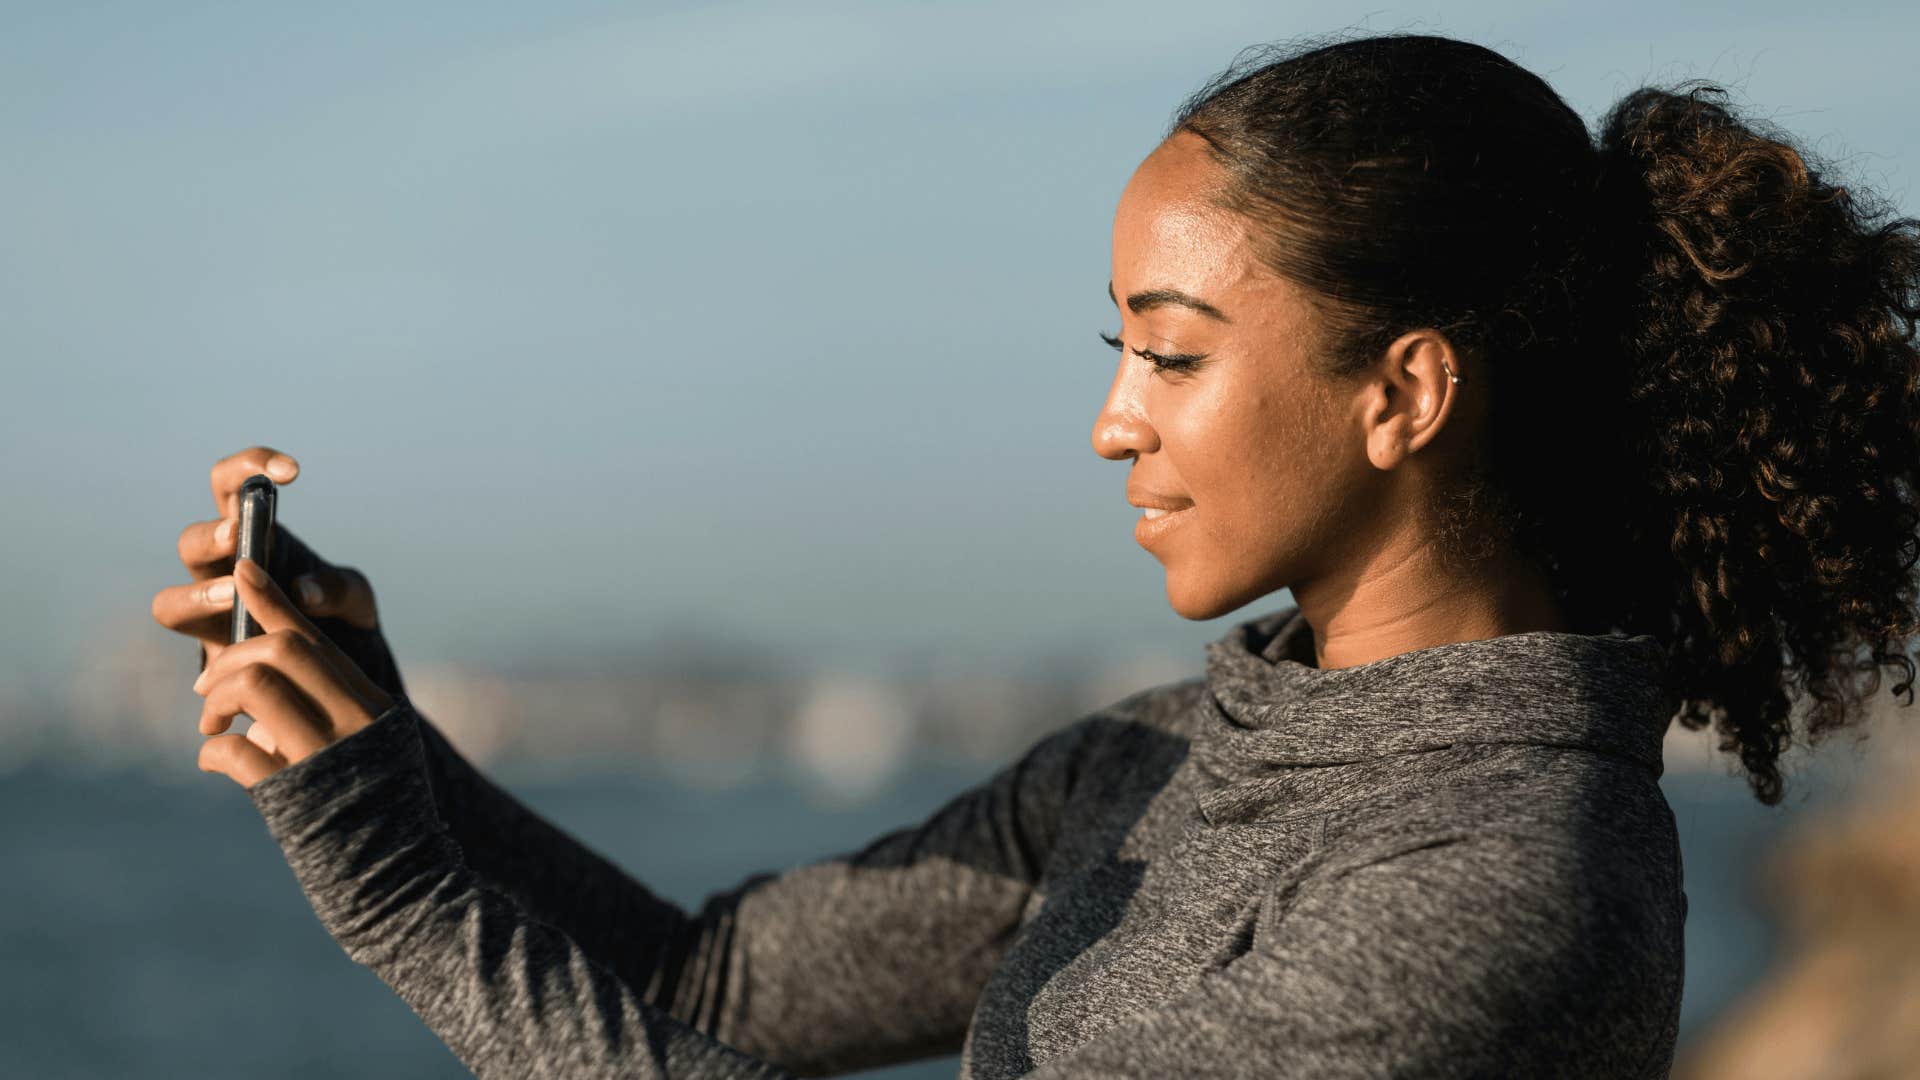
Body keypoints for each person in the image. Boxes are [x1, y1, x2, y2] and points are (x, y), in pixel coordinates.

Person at [149, 30, 1920, 1079]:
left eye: (1172, 349)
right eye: (1117, 351)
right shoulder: (1157, 757)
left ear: (1407, 393)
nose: (1114, 421)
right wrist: (382, 749)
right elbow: (713, 988)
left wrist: (401, 891)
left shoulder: (1503, 892)